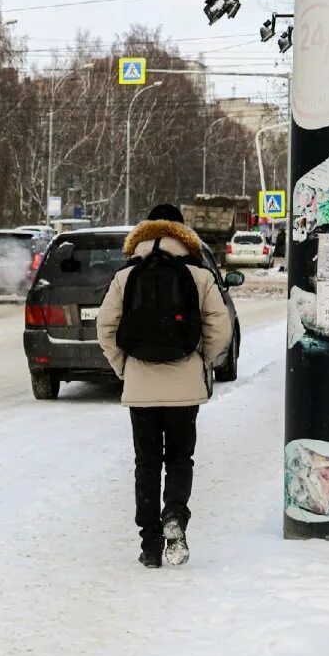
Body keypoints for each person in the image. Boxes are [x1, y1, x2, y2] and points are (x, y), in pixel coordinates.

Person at [96, 204, 231, 569]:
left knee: (147, 463)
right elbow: (221, 327)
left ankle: (150, 545)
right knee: (179, 458)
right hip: (185, 385)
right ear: (182, 233)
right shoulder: (199, 274)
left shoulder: (127, 275)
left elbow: (105, 328)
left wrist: (125, 367)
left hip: (141, 385)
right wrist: (202, 360)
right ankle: (174, 515)